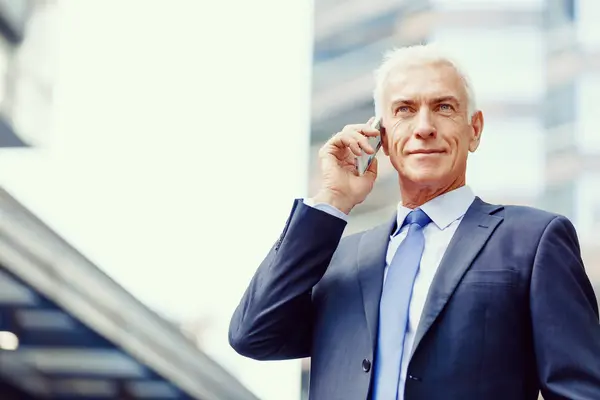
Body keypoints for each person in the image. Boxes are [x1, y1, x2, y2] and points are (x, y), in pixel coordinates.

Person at [228, 44, 600, 400]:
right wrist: (332, 200)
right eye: (405, 109)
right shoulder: (338, 261)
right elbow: (253, 334)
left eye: (443, 107)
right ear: (382, 137)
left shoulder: (533, 241)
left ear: (474, 130)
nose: (424, 127)